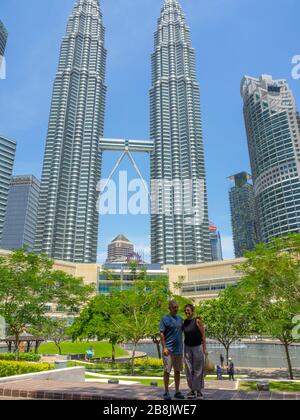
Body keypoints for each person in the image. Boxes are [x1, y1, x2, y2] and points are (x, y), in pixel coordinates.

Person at [160, 300, 185, 401]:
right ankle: (166, 392)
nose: (176, 309)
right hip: (168, 350)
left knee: (177, 371)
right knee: (167, 371)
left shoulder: (180, 319)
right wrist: (164, 347)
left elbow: (184, 330)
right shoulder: (164, 319)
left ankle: (177, 391)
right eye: (174, 307)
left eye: (177, 307)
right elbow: (161, 334)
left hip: (179, 350)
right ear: (169, 308)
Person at [183, 304, 208, 400]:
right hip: (187, 348)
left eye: (188, 310)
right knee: (189, 369)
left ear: (192, 311)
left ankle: (199, 391)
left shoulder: (197, 321)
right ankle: (192, 390)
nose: (186, 312)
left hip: (197, 347)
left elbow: (203, 335)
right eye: (185, 310)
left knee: (198, 370)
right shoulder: (184, 322)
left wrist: (204, 349)